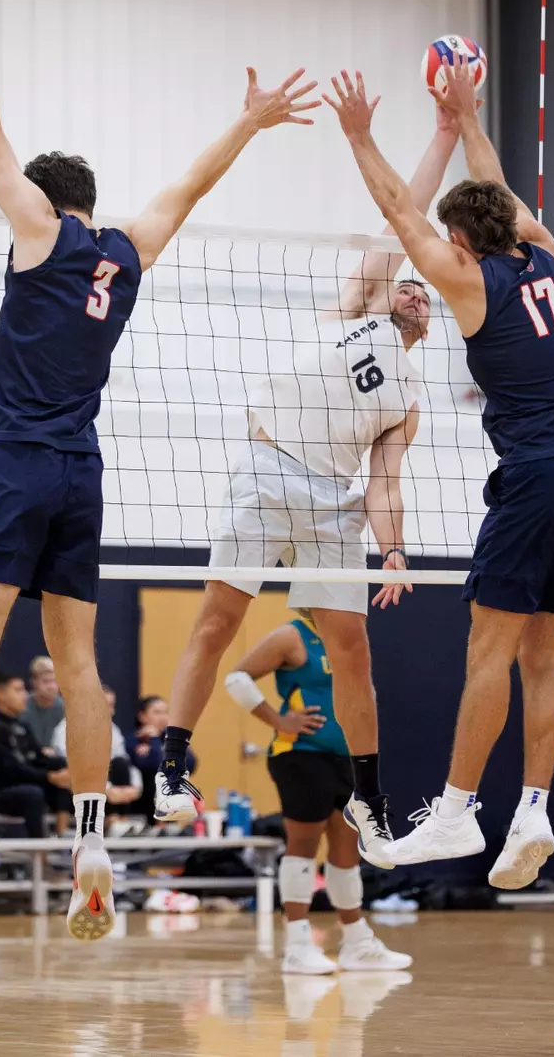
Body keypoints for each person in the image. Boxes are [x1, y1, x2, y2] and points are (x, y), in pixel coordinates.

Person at [0, 0, 316, 944]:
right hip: (82, 472)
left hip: (12, 464)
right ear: (94, 199)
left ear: (44, 201)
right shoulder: (129, 250)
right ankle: (90, 841)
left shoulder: (38, 232)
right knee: (79, 668)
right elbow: (188, 189)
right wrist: (248, 121)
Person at [326, 64, 554, 885]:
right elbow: (500, 195)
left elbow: (398, 213)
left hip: (538, 481)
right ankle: (534, 807)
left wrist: (359, 135)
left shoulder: (467, 278)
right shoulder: (548, 258)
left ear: (460, 243)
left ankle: (455, 814)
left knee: (487, 650)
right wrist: (470, 120)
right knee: (543, 654)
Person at [154, 104, 456, 865]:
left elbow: (385, 483)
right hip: (268, 469)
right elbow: (405, 210)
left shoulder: (410, 397)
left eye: (428, 295)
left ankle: (370, 795)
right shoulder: (359, 309)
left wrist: (394, 553)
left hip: (333, 503)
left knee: (352, 648)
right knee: (217, 621)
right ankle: (170, 766)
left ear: (430, 324)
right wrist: (445, 133)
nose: (416, 291)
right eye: (410, 285)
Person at [225, 616, 412, 974]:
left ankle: (357, 942)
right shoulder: (292, 636)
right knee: (304, 845)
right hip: (301, 754)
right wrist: (279, 721)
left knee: (347, 851)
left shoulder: (349, 632)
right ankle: (297, 944)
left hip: (349, 759)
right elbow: (236, 678)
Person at [0, 671, 68, 838]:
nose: (24, 695)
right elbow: (9, 768)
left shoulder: (22, 725)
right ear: (0, 694)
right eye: (18, 690)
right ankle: (39, 855)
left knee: (61, 770)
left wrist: (63, 772)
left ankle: (64, 833)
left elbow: (39, 758)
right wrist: (48, 777)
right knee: (33, 793)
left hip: (27, 783)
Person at [52, 686, 143, 810]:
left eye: (112, 706)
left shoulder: (112, 729)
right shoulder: (66, 730)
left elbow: (124, 759)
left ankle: (119, 820)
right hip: (75, 785)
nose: (112, 711)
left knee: (120, 764)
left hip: (105, 782)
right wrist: (109, 789)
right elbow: (76, 770)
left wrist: (135, 787)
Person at [128, 696, 193, 821]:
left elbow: (190, 763)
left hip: (171, 807)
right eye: (157, 712)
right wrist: (153, 739)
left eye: (166, 712)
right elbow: (155, 766)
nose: (163, 717)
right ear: (142, 716)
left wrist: (155, 742)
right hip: (142, 806)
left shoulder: (172, 740)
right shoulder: (133, 742)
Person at [20, 655, 65, 754]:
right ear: (33, 682)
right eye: (46, 681)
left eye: (55, 681)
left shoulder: (65, 708)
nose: (51, 687)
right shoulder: (21, 706)